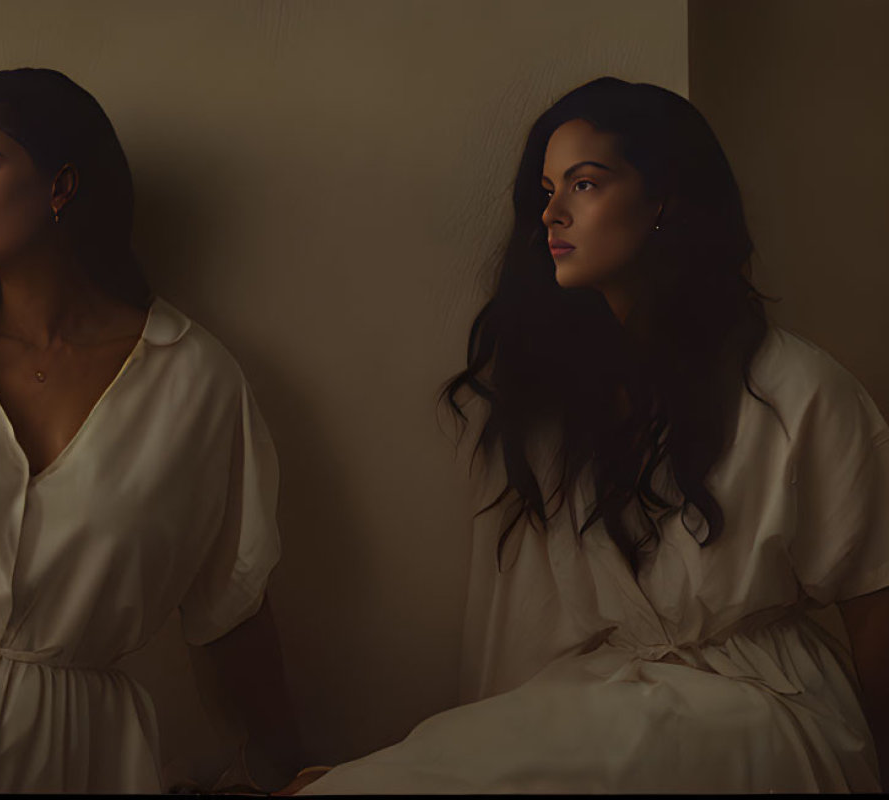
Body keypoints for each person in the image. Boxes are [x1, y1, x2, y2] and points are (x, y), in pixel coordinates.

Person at [292, 76, 889, 794]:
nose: (551, 213)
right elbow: (522, 620)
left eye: (584, 184)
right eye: (547, 189)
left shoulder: (798, 386)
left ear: (663, 198)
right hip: (607, 696)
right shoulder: (556, 401)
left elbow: (875, 599)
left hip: (759, 708)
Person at [0, 67, 302, 793]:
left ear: (61, 185)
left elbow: (230, 609)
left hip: (76, 753)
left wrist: (289, 767)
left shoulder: (196, 384)